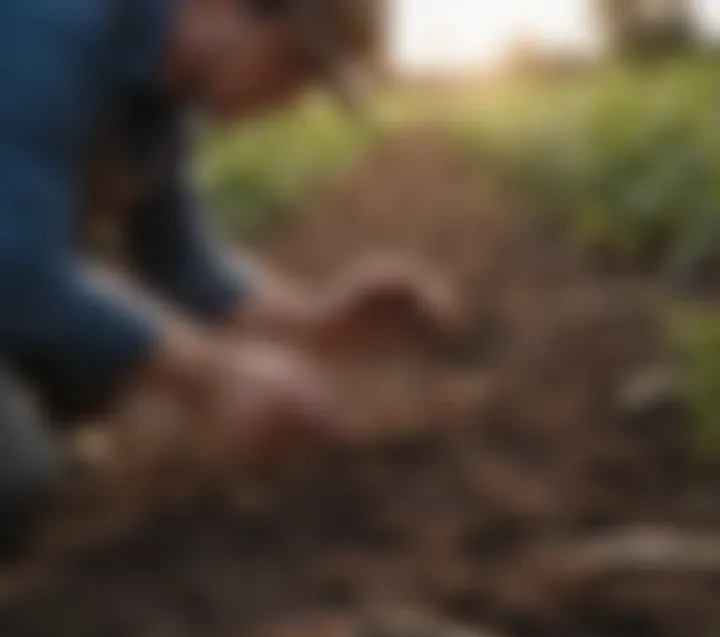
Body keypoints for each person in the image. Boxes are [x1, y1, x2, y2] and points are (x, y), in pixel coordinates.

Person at [0, 0, 453, 555]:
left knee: (103, 361)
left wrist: (318, 321)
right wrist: (219, 374)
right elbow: (18, 272)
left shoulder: (160, 103)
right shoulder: (51, 25)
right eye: (294, 64)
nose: (290, 100)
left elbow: (183, 264)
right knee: (15, 470)